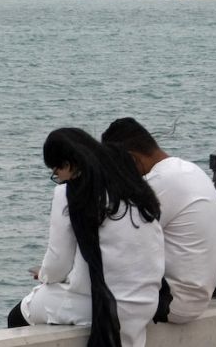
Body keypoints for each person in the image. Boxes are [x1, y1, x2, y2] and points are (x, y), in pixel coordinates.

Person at [10, 128, 164, 347]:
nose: (58, 179)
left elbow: (57, 264)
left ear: (67, 165)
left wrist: (44, 274)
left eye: (56, 172)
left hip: (105, 303)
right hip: (146, 302)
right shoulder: (131, 188)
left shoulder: (69, 194)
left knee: (20, 311)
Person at [98, 119, 216, 324]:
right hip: (198, 296)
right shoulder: (189, 170)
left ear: (132, 159)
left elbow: (119, 243)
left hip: (172, 302)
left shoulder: (158, 183)